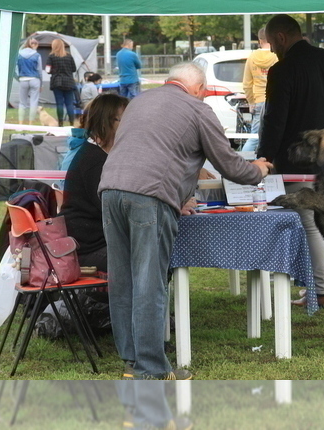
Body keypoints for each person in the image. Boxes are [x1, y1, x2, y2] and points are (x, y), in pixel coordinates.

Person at [98, 62, 272, 380]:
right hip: (150, 196)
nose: (203, 97)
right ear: (198, 88)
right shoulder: (197, 109)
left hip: (110, 189)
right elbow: (229, 165)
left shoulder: (139, 101)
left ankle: (132, 362)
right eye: (204, 93)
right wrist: (258, 169)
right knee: (150, 282)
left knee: (123, 280)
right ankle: (151, 369)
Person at [257, 14, 324, 308]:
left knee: (310, 224)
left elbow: (275, 120)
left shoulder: (282, 70)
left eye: (272, 44)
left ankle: (320, 289)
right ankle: (320, 286)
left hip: (298, 161)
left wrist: (264, 157)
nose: (272, 50)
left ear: (281, 38)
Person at [59, 93, 129, 272]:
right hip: (87, 250)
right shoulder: (94, 160)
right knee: (148, 256)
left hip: (96, 244)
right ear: (106, 122)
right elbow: (116, 209)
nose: (131, 125)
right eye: (125, 119)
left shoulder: (100, 155)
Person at [241, 27, 278, 152]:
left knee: (255, 137)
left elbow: (247, 84)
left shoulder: (252, 58)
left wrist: (251, 102)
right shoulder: (276, 56)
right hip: (274, 100)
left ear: (260, 40)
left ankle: (245, 159)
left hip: (258, 100)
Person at [48, 38, 77, 127]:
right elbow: (74, 69)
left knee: (59, 103)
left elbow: (47, 70)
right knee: (69, 104)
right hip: (69, 82)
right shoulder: (69, 56)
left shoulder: (51, 56)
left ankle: (60, 123)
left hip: (57, 82)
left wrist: (54, 71)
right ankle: (72, 123)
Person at [16, 36, 43, 125]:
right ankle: (31, 123)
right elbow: (39, 70)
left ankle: (20, 123)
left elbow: (15, 68)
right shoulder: (37, 55)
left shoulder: (19, 54)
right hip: (35, 79)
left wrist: (18, 77)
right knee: (33, 102)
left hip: (23, 79)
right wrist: (41, 83)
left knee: (22, 103)